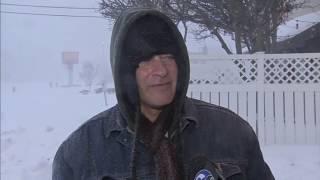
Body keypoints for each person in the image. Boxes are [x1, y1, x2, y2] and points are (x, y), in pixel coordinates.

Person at [53, 8, 274, 180]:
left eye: (168, 56)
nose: (161, 71)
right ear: (124, 71)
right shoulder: (80, 154)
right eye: (145, 59)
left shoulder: (232, 134)